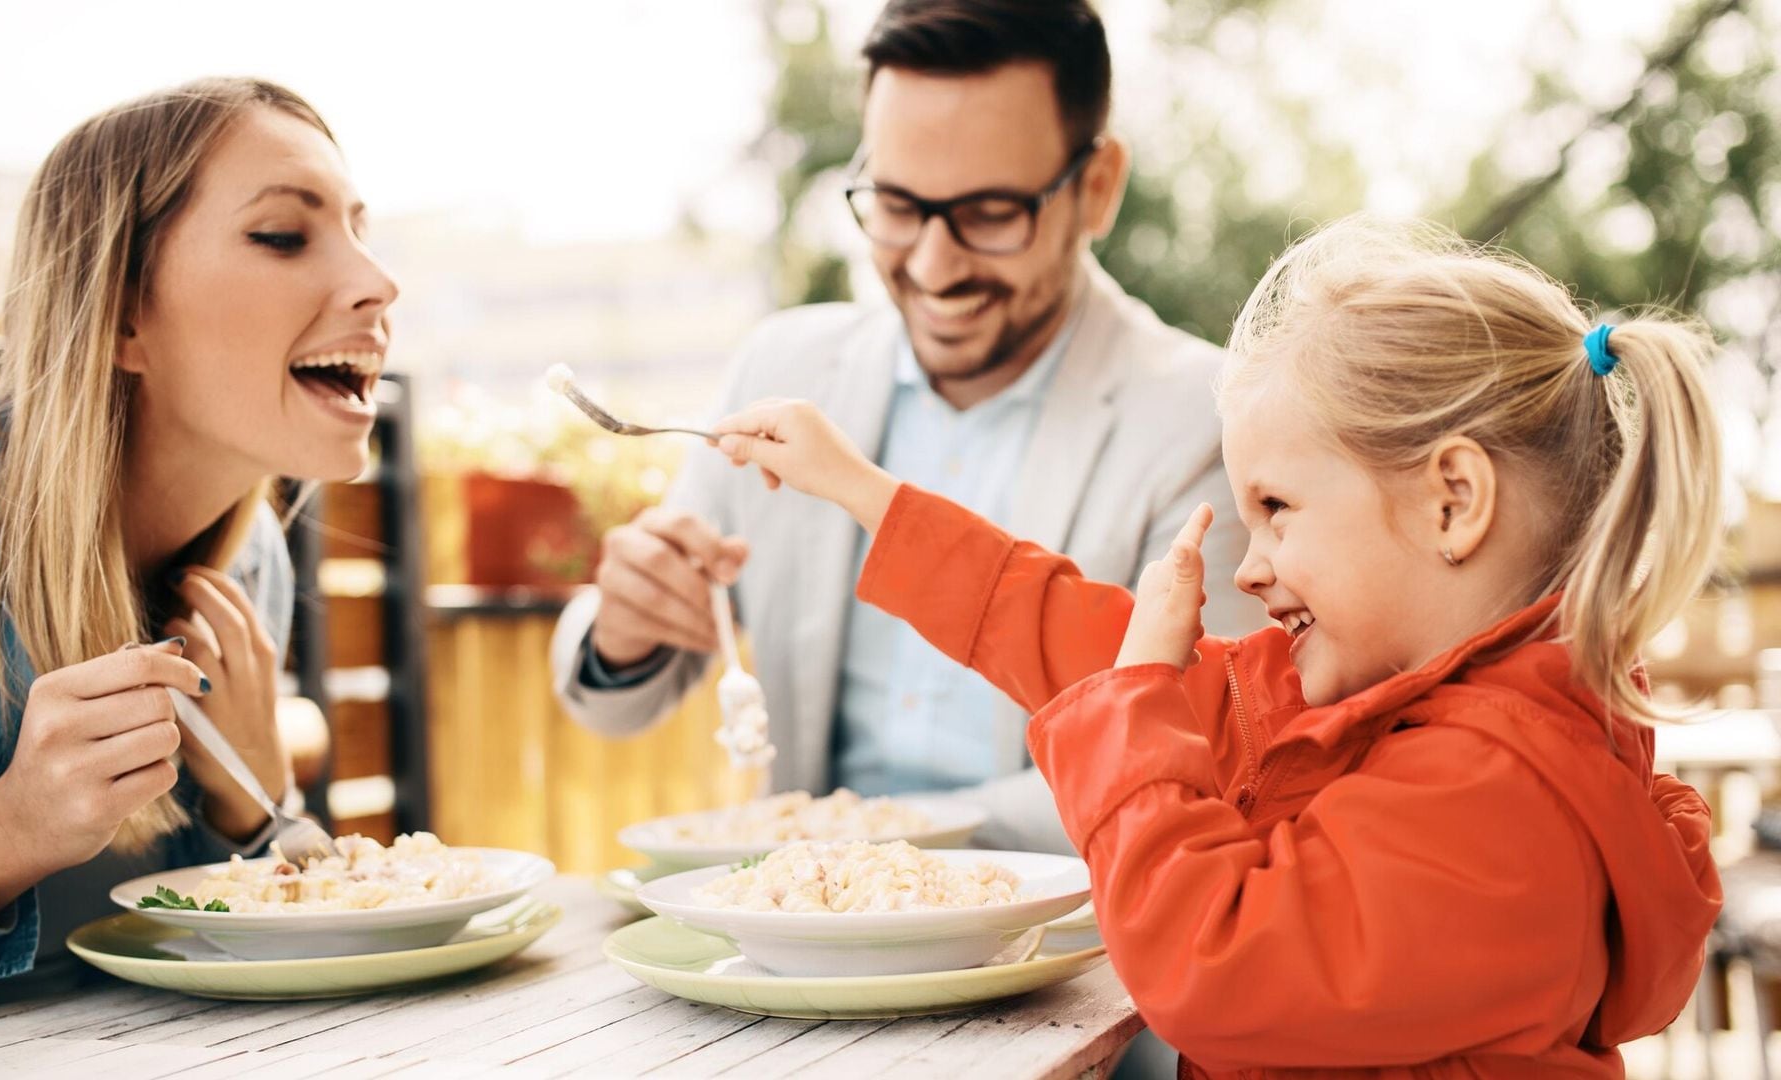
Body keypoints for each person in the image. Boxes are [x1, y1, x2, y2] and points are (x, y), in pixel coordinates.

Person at [709, 216, 1723, 1075]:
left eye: (1277, 509)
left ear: (1452, 500)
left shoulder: (1500, 806)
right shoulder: (1387, 711)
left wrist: (1143, 695)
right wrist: (867, 493)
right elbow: (1082, 637)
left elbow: (1212, 963)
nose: (1249, 565)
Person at [551, 0, 1261, 853]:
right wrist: (625, 631)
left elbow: (1206, 750)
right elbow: (617, 699)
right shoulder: (783, 368)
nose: (932, 265)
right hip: (810, 927)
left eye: (992, 214)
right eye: (894, 204)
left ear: (1098, 187)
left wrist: (870, 836)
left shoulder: (1206, 419)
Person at [0, 77, 398, 1027]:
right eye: (284, 236)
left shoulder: (249, 559)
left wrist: (257, 808)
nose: (378, 283)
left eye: (361, 232)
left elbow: (223, 957)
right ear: (121, 313)